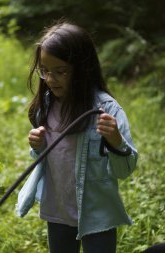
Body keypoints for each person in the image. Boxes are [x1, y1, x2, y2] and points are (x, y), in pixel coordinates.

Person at [16, 21, 138, 253]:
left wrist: (115, 140)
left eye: (60, 72)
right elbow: (50, 157)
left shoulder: (107, 110)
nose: (51, 80)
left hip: (97, 215)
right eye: (45, 71)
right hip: (59, 211)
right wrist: (38, 146)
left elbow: (125, 170)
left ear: (82, 68)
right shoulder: (46, 107)